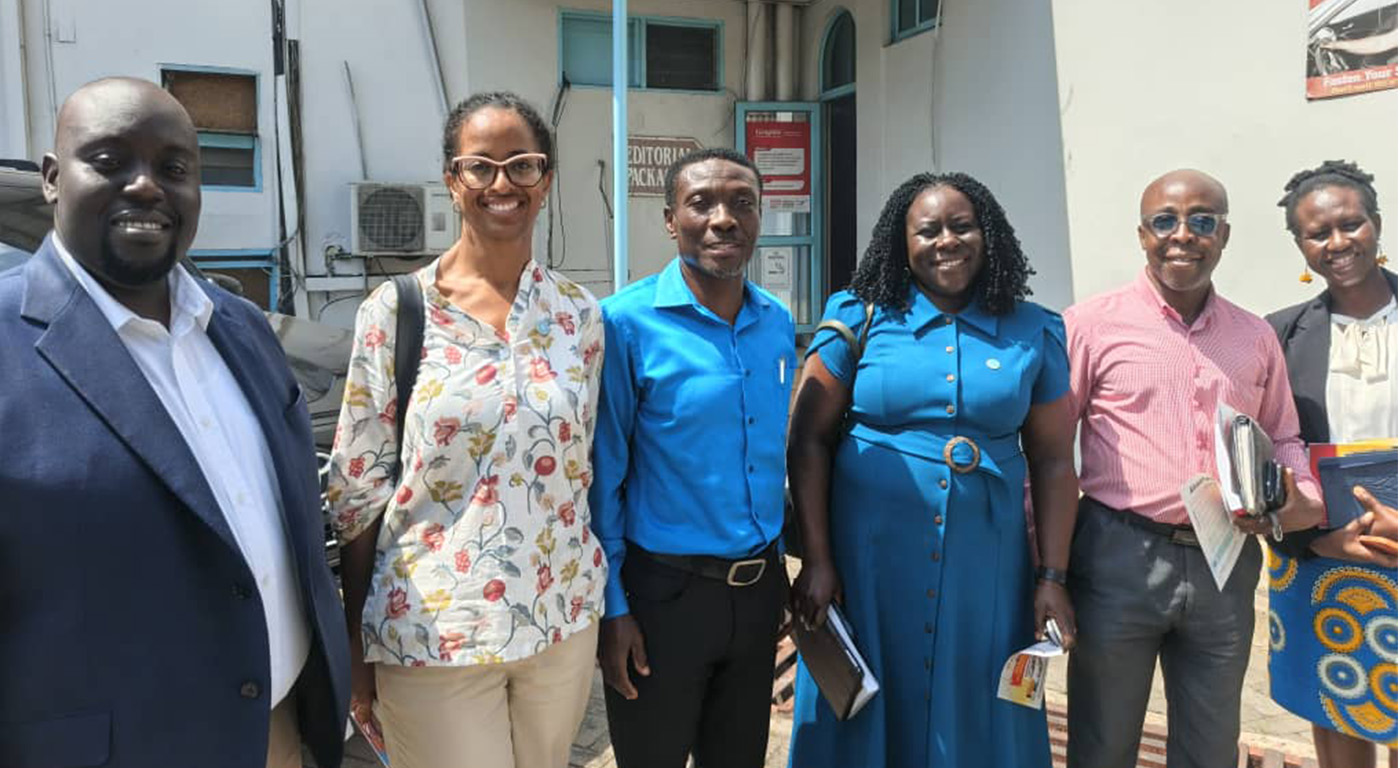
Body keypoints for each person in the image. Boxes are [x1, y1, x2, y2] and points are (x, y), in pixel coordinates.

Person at [0, 77, 350, 768]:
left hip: (276, 732)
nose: (145, 186)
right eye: (109, 161)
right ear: (52, 178)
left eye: (174, 167)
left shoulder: (242, 327)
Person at [328, 92, 606, 768]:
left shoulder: (577, 315)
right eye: (480, 166)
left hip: (560, 619)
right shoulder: (396, 312)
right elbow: (357, 491)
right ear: (452, 181)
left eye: (522, 164)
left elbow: (586, 467)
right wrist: (356, 642)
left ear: (546, 180)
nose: (502, 183)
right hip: (434, 631)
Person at [785, 172, 1081, 767]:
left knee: (982, 699)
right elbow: (807, 439)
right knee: (867, 697)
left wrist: (1052, 576)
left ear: (987, 234)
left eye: (962, 226)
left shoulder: (1034, 329)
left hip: (987, 564)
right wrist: (817, 558)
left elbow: (1053, 460)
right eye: (928, 231)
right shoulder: (858, 317)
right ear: (903, 242)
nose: (947, 241)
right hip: (868, 561)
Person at [1063, 168, 1326, 768]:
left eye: (1202, 221)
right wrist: (1045, 567)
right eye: (1165, 221)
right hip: (1118, 555)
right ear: (1142, 235)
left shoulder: (1254, 336)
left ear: (1224, 235)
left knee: (1211, 749)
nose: (1183, 234)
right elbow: (1050, 450)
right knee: (1102, 745)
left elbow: (1284, 434)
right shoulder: (1089, 326)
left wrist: (1301, 498)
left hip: (1225, 563)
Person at [589, 147, 797, 768]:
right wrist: (614, 608)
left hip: (757, 594)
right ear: (670, 219)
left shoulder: (775, 322)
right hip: (662, 598)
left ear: (758, 218)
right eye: (701, 203)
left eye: (742, 203)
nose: (723, 219)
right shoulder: (624, 323)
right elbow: (604, 475)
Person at [1265, 160, 1398, 767]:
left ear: (1377, 223)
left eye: (1351, 224)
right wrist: (1313, 539)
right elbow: (1265, 452)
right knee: (1339, 709)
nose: (1338, 242)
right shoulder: (1279, 336)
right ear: (1300, 245)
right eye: (1318, 233)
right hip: (1323, 559)